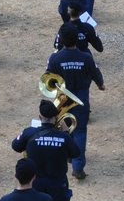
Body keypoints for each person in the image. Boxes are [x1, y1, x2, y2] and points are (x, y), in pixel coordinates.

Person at [45, 25, 105, 180]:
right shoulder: (86, 57)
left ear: (62, 40)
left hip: (62, 98)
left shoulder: (55, 58)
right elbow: (95, 73)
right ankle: (78, 167)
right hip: (81, 98)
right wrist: (100, 84)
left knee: (64, 127)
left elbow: (47, 78)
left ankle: (68, 156)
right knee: (80, 131)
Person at [11, 102, 81, 201]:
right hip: (58, 182)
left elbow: (15, 146)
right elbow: (76, 153)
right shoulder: (64, 137)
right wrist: (66, 132)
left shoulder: (29, 132)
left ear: (39, 116)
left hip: (34, 182)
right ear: (56, 117)